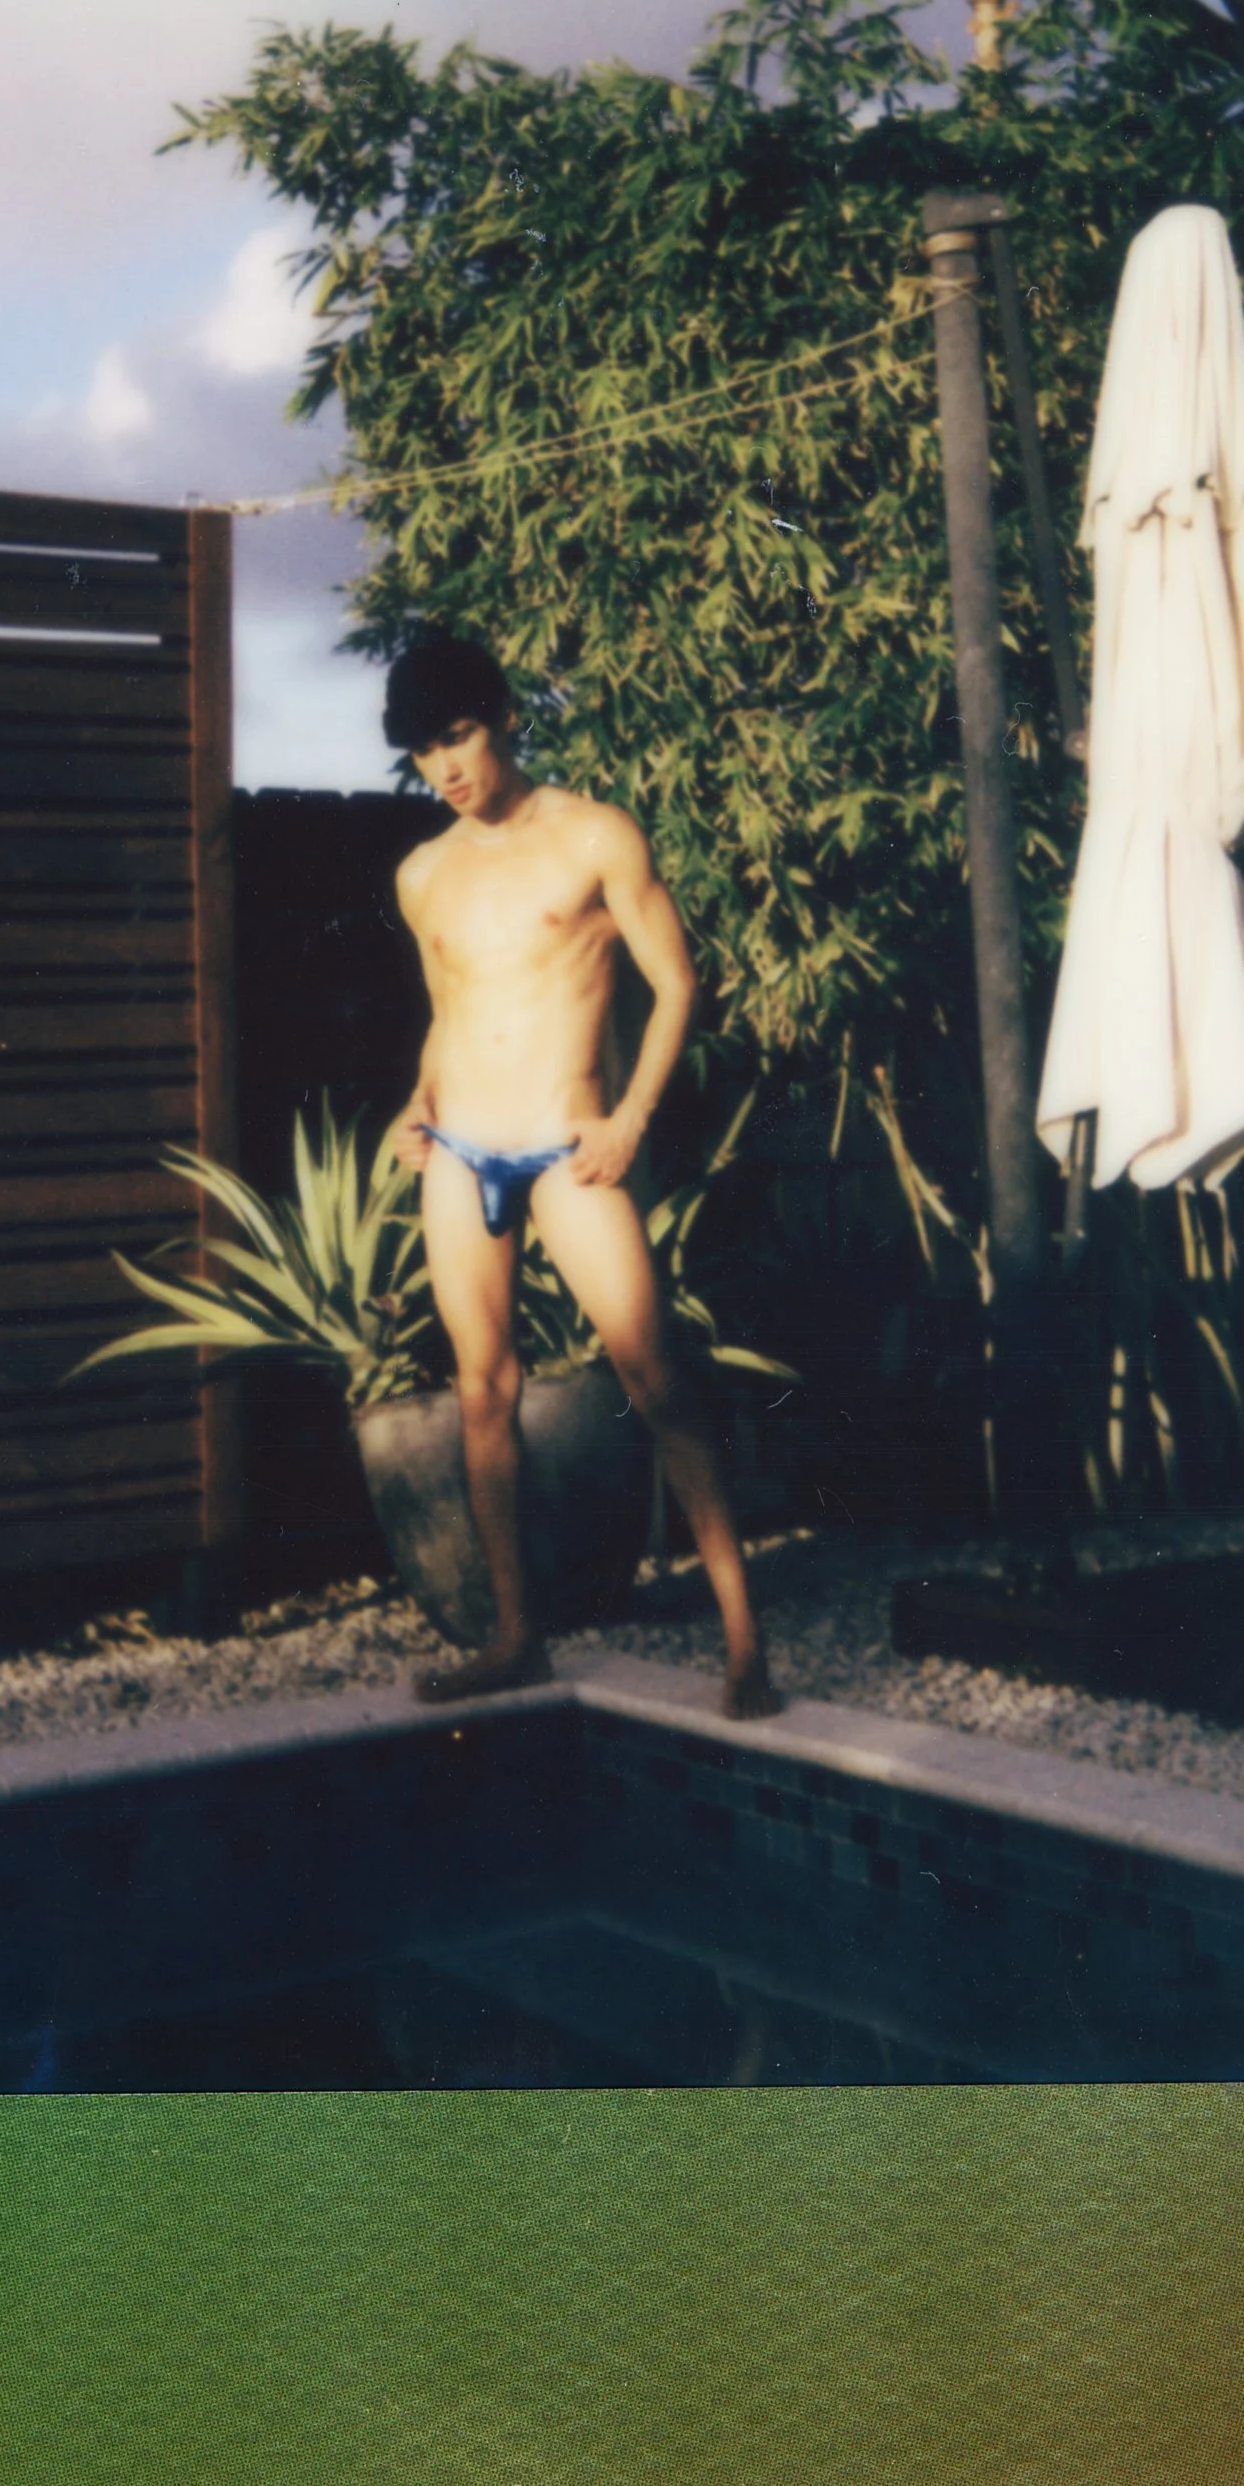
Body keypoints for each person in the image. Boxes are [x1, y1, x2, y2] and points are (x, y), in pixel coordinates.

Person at [382, 630, 776, 1718]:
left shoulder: (594, 835)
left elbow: (675, 982)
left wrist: (630, 1119)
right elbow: (447, 1011)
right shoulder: (422, 873)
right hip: (458, 1151)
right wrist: (419, 1102)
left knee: (656, 1381)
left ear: (502, 714)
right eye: (424, 753)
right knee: (480, 1391)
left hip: (569, 1147)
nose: (447, 768)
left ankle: (745, 1648)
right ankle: (517, 1637)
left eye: (457, 736)